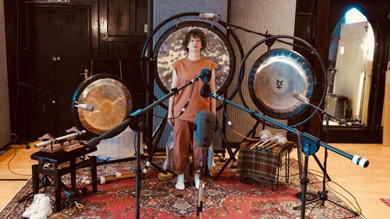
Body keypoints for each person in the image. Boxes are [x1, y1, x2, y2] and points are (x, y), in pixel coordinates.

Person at [168, 29, 217, 190]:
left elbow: (212, 92)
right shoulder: (178, 65)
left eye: (198, 40)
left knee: (199, 150)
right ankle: (180, 177)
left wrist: (214, 115)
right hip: (181, 113)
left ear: (202, 44)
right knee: (180, 147)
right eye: (192, 40)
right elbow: (173, 91)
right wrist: (170, 113)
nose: (195, 43)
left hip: (202, 114)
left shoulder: (209, 65)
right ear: (187, 44)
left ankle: (197, 176)